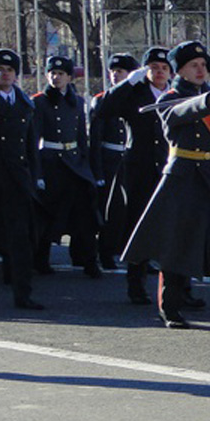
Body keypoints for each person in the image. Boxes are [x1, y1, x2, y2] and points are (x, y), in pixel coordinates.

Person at [122, 40, 210, 335]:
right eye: (194, 65)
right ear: (179, 70)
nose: (201, 70)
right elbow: (177, 114)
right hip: (182, 180)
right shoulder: (170, 98)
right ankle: (170, 308)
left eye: (203, 65)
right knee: (176, 246)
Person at [95, 47, 173, 305]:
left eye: (164, 68)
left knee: (174, 228)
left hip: (170, 168)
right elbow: (104, 109)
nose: (159, 72)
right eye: (153, 68)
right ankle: (136, 285)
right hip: (139, 169)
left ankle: (178, 289)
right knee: (137, 226)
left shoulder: (175, 94)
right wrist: (127, 83)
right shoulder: (134, 94)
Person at [0, 49, 45, 310]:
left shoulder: (24, 103)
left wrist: (35, 177)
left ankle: (22, 293)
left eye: (10, 70)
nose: (5, 74)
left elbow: (30, 145)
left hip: (16, 178)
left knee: (20, 238)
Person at [32, 55, 101, 278]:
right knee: (48, 214)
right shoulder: (39, 102)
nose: (56, 77)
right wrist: (37, 173)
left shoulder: (77, 102)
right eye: (52, 73)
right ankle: (41, 260)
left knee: (85, 213)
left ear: (69, 77)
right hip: (51, 163)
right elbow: (34, 139)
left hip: (74, 163)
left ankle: (89, 260)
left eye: (61, 74)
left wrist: (87, 166)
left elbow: (81, 137)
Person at [90, 54, 137, 270]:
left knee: (133, 210)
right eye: (113, 71)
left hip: (130, 159)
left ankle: (135, 254)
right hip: (110, 161)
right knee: (111, 211)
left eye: (120, 71)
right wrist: (98, 172)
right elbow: (95, 140)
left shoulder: (136, 97)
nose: (115, 75)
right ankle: (106, 252)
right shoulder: (103, 100)